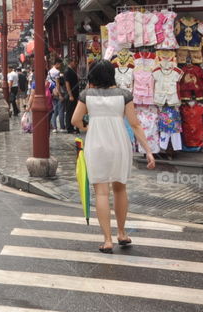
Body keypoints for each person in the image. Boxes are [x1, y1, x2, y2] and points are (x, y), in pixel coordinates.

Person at [71, 59, 156, 254]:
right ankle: (122, 233)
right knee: (120, 189)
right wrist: (148, 151)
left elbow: (75, 119)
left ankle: (107, 240)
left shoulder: (86, 95)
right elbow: (135, 124)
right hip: (119, 143)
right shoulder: (124, 95)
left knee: (101, 192)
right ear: (112, 74)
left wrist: (87, 126)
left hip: (96, 144)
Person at [62, 63, 81, 133]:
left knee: (74, 110)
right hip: (71, 95)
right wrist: (70, 95)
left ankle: (73, 126)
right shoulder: (67, 71)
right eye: (74, 62)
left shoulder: (72, 70)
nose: (75, 64)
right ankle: (69, 128)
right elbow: (67, 84)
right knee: (70, 111)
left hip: (75, 94)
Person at [48, 59, 66, 131]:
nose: (60, 66)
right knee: (61, 110)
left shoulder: (49, 71)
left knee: (54, 110)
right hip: (58, 92)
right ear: (57, 63)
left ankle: (54, 127)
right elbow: (57, 84)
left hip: (52, 92)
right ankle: (62, 127)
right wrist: (60, 94)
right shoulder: (57, 72)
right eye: (60, 64)